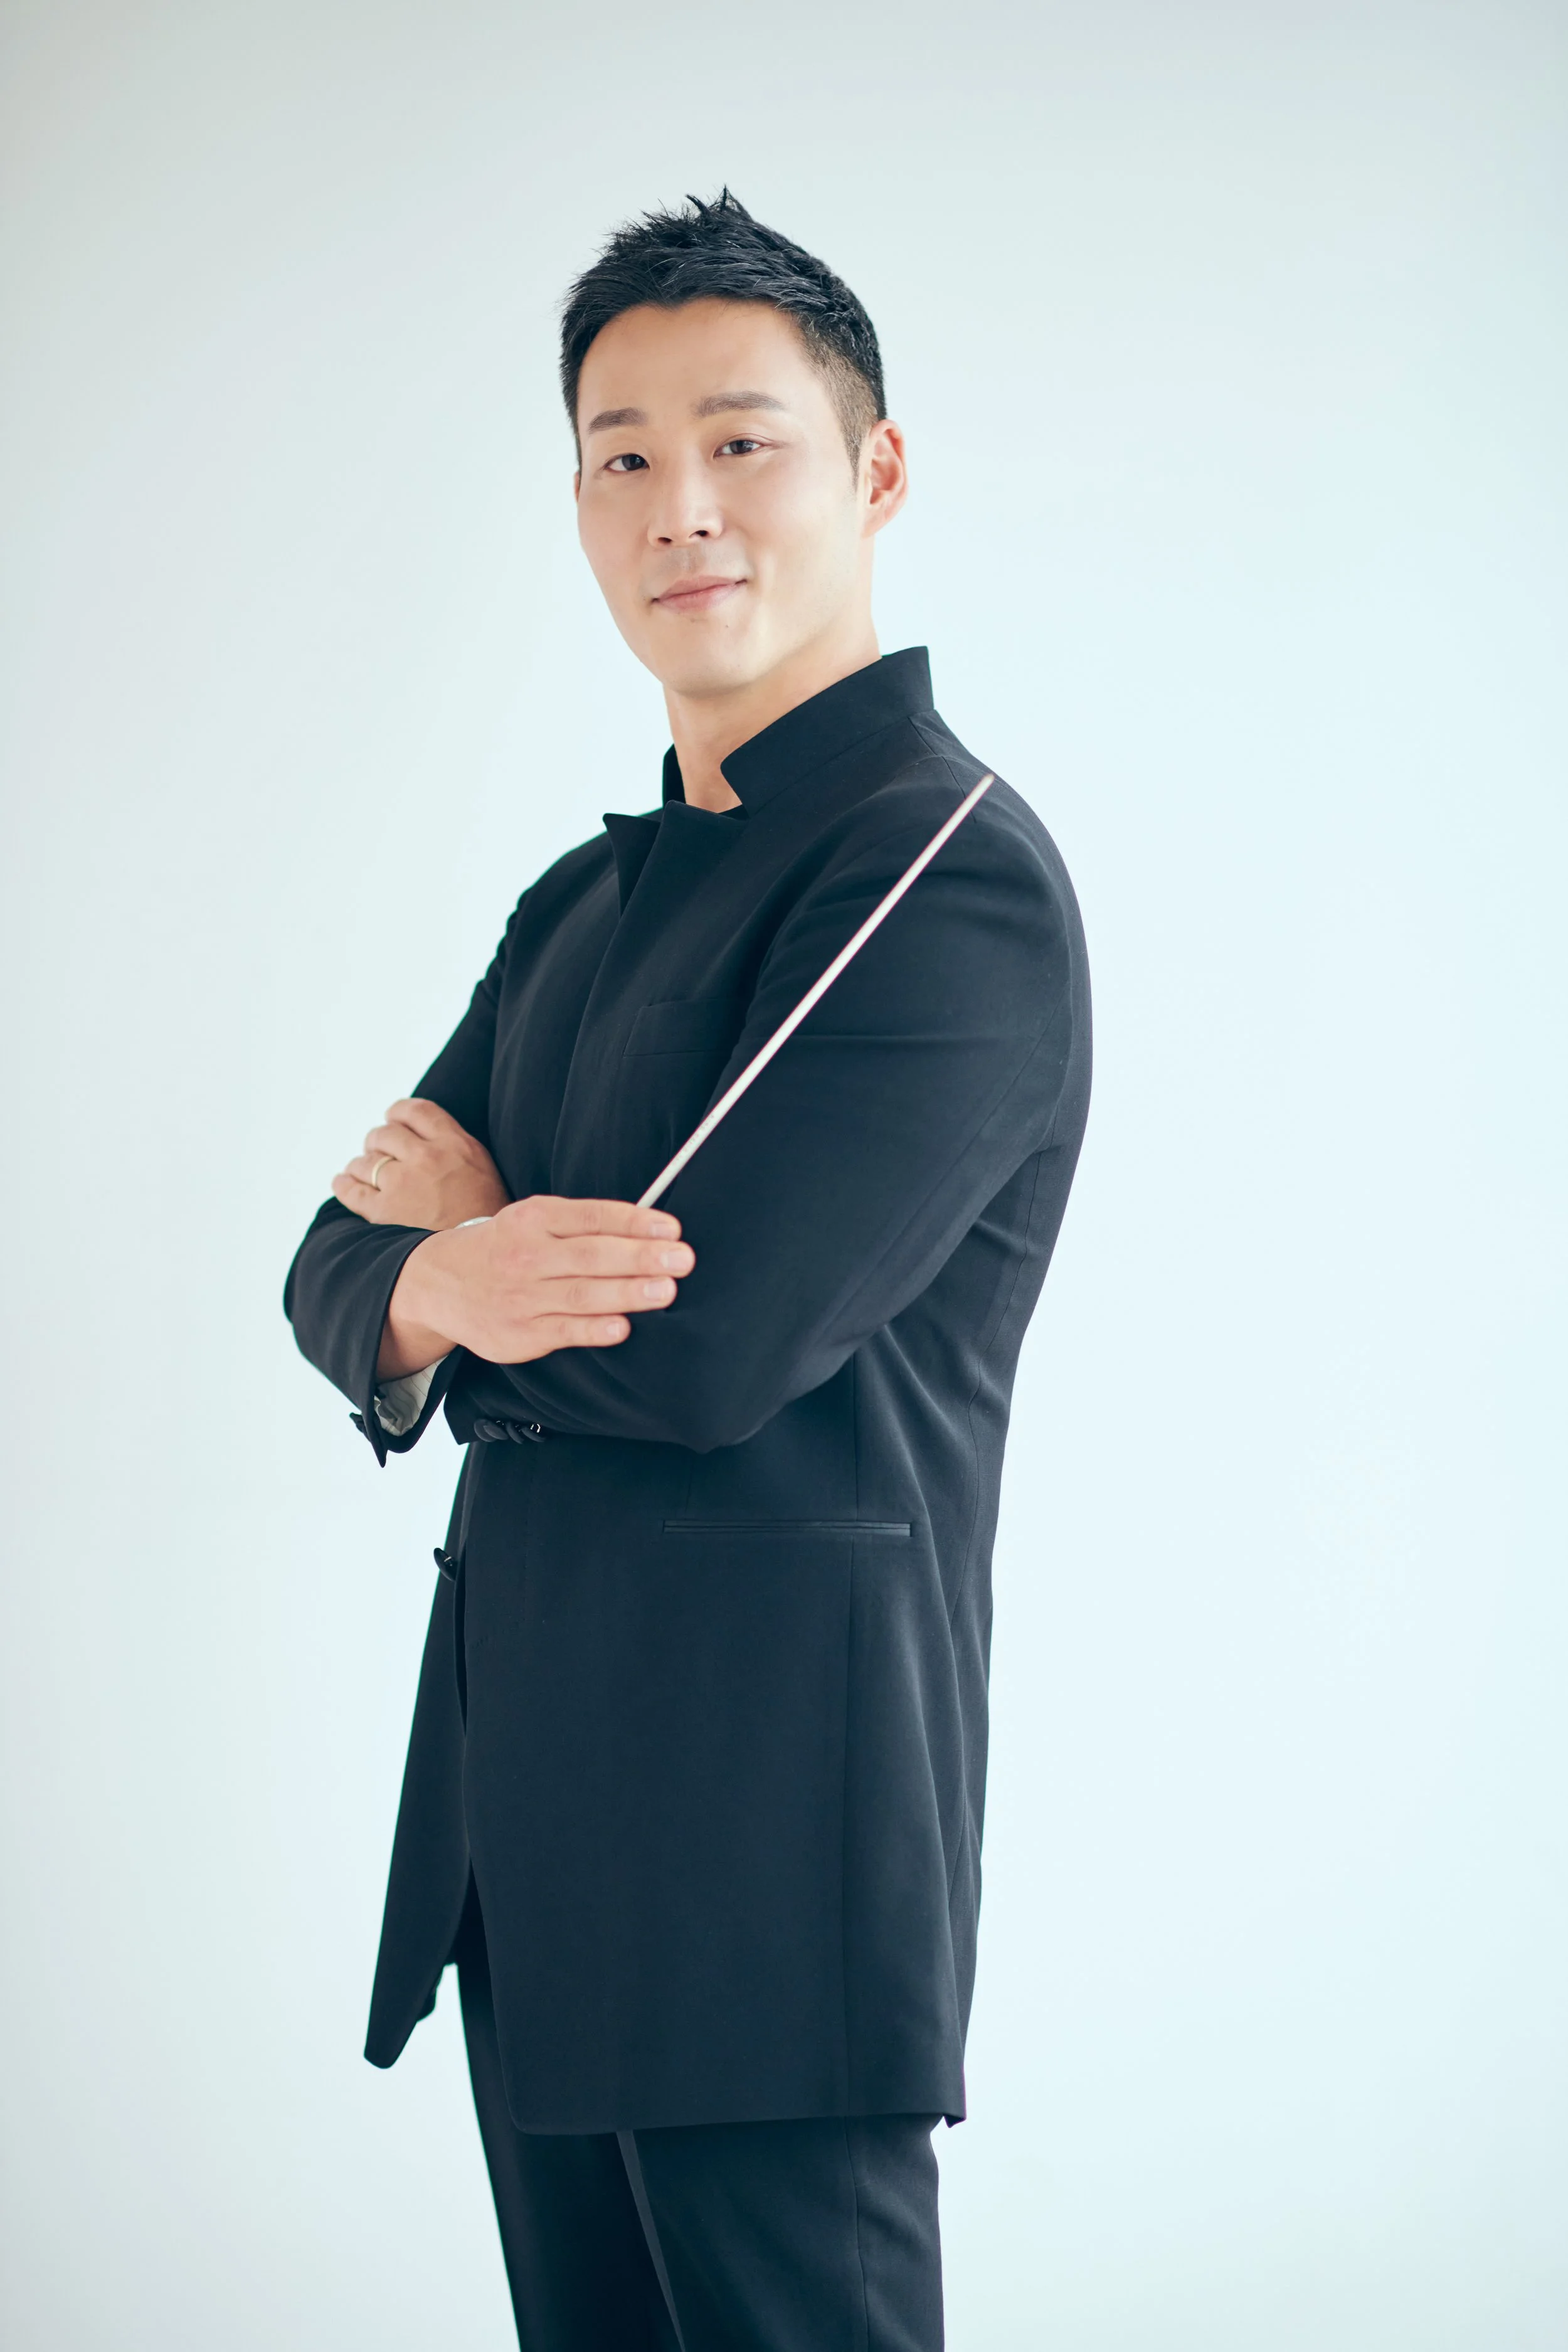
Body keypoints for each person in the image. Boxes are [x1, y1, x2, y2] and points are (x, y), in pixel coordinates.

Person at [285, 189, 1091, 2351]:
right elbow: (331, 1265)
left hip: (763, 1866)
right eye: (621, 456)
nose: (681, 507)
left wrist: (450, 1269)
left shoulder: (941, 876)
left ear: (874, 471)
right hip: (529, 1837)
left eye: (741, 443)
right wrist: (445, 1273)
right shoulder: (583, 902)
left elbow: (701, 1343)